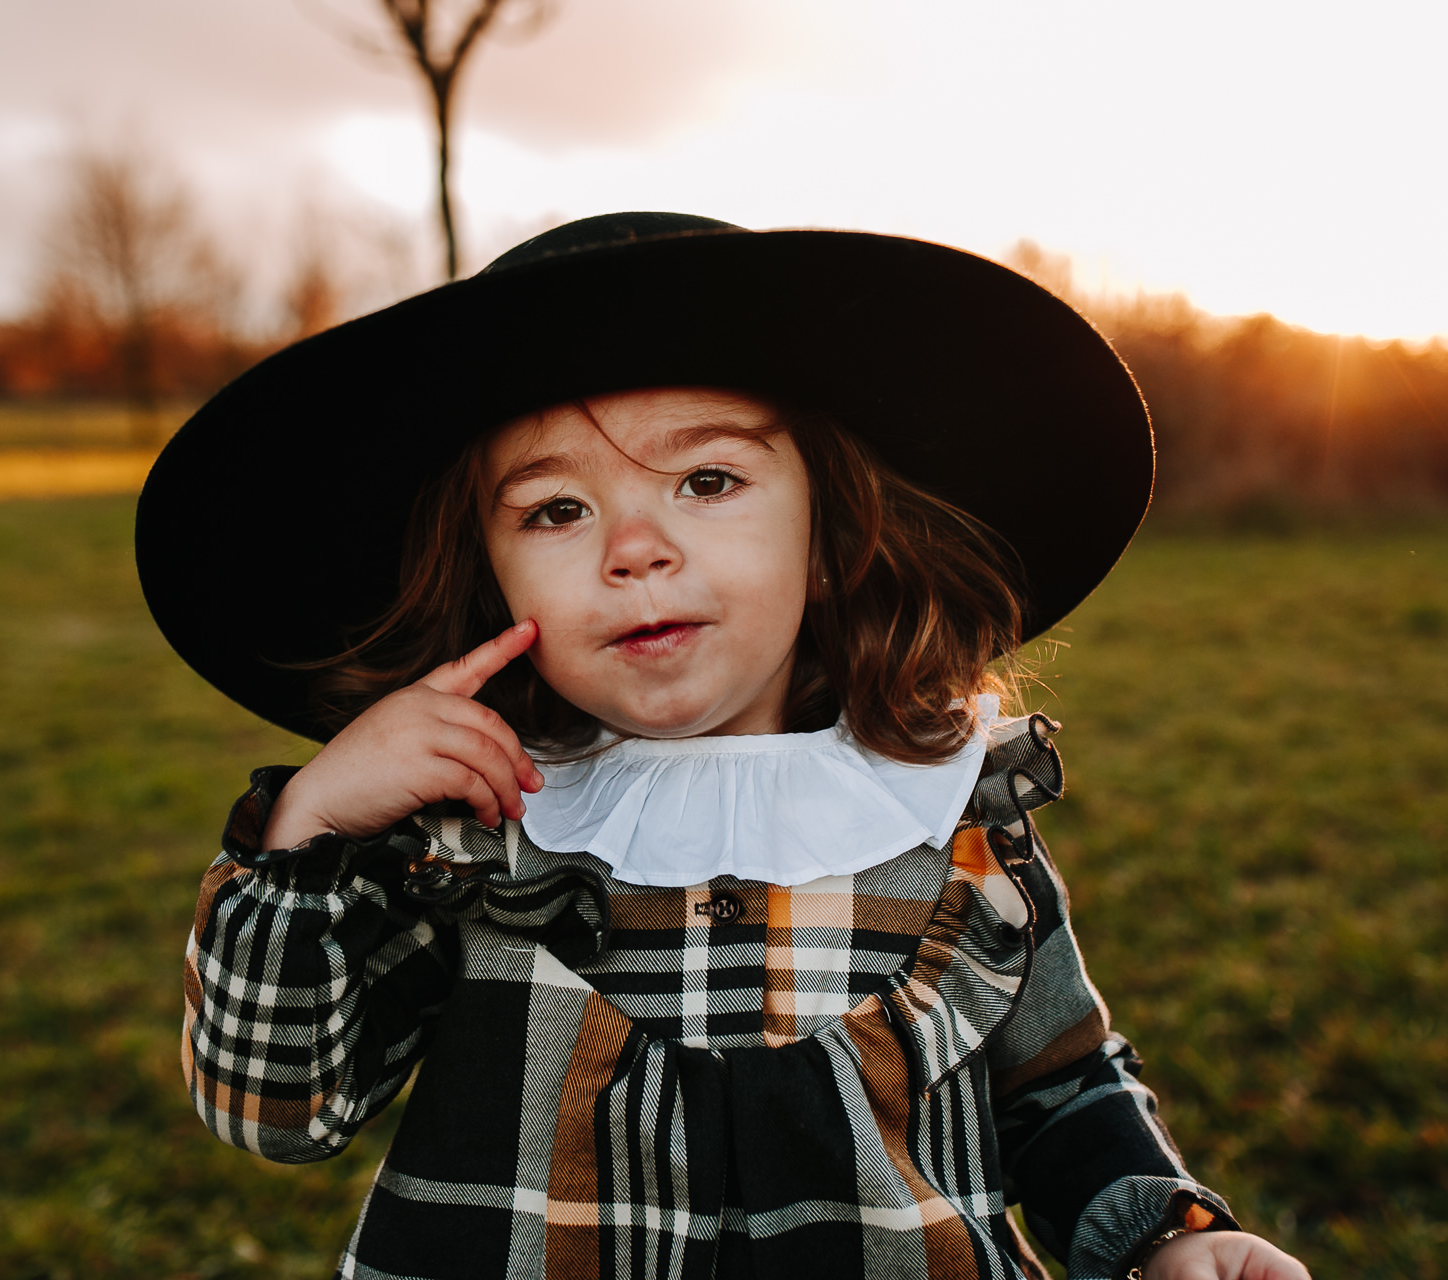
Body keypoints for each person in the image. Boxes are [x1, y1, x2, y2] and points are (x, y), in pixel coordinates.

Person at [137, 213, 1310, 1280]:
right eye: (557, 508)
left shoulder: (945, 806)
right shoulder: (470, 824)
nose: (635, 548)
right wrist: (309, 829)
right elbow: (274, 1107)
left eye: (706, 479)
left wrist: (1159, 1234)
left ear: (828, 535)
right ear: (486, 572)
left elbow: (1058, 1085)